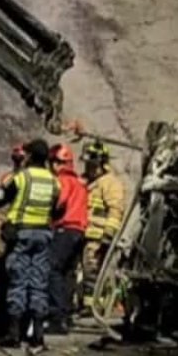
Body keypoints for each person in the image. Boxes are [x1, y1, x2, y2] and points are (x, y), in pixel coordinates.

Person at [0, 138, 60, 353]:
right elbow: (58, 210)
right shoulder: (54, 181)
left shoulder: (21, 178)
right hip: (44, 235)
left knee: (18, 280)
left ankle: (14, 334)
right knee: (38, 281)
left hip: (21, 234)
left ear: (29, 156)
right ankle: (37, 335)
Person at [81, 139, 127, 314]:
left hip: (99, 236)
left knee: (93, 271)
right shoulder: (93, 183)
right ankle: (89, 305)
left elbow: (116, 210)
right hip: (88, 234)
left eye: (92, 165)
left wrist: (108, 234)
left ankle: (93, 307)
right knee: (87, 271)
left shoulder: (110, 183)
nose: (88, 169)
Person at [47, 143, 88, 335]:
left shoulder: (62, 181)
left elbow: (59, 202)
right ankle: (67, 315)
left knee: (53, 270)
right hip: (79, 231)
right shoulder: (80, 182)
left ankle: (56, 317)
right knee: (69, 273)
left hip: (65, 229)